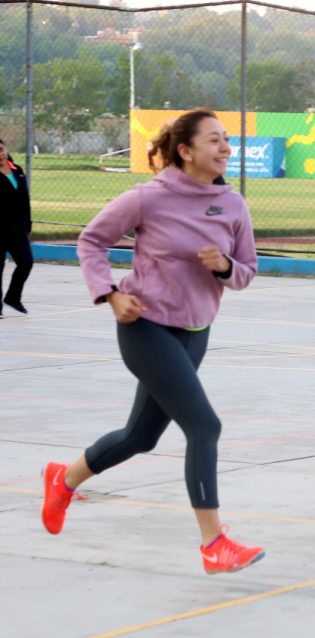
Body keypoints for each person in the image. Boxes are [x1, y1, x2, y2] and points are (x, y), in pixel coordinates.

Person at [41, 109, 264, 574]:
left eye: (226, 139)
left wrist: (224, 266)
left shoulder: (233, 205)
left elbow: (246, 272)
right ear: (185, 150)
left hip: (196, 331)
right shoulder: (148, 197)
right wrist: (110, 294)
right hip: (146, 327)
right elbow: (91, 241)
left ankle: (64, 479)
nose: (225, 148)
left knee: (140, 437)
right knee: (204, 426)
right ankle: (214, 544)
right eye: (214, 140)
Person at [0, 139, 33, 316]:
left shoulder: (17, 170)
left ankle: (13, 297)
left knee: (26, 262)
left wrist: (27, 225)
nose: (0, 154)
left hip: (17, 228)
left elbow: (25, 199)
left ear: (6, 149)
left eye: (1, 149)